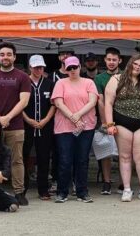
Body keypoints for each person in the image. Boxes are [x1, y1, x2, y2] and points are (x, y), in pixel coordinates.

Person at [0, 42, 31, 206]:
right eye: (2, 54)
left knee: (17, 160)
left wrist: (8, 117)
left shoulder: (23, 77)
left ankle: (19, 192)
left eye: (9, 54)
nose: (5, 57)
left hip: (15, 126)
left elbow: (24, 101)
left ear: (14, 57)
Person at [104, 54, 140, 202]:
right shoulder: (116, 79)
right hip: (121, 121)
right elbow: (108, 103)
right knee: (125, 157)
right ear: (130, 64)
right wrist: (110, 124)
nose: (138, 67)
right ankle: (126, 189)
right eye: (136, 64)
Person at [51, 56, 98, 203]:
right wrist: (74, 117)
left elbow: (93, 101)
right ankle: (62, 192)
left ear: (80, 67)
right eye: (69, 68)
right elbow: (58, 103)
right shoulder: (60, 83)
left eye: (75, 67)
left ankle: (82, 192)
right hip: (64, 127)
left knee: (82, 159)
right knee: (65, 160)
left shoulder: (89, 82)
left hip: (86, 126)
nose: (72, 70)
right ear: (65, 69)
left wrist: (77, 115)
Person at [22, 55, 56, 200]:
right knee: (23, 157)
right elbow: (19, 104)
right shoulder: (23, 82)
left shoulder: (50, 83)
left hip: (45, 126)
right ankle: (22, 188)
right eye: (36, 67)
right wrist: (28, 120)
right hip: (26, 125)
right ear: (30, 67)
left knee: (43, 157)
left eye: (41, 67)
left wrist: (45, 120)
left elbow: (54, 105)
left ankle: (43, 189)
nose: (38, 70)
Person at [94, 46, 122, 195]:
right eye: (109, 59)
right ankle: (106, 182)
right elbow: (100, 101)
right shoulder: (99, 78)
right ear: (105, 60)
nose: (111, 62)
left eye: (114, 60)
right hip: (106, 119)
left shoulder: (125, 76)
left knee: (123, 153)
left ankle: (124, 183)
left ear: (119, 61)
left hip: (123, 118)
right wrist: (105, 122)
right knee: (106, 152)